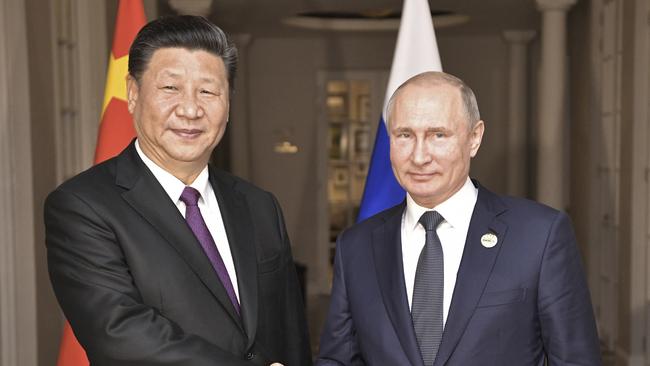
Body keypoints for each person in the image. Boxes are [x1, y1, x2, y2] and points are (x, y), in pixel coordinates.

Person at [45, 15, 311, 366]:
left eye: (208, 91)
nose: (190, 109)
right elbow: (119, 332)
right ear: (133, 93)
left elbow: (290, 332)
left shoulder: (259, 205)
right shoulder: (83, 207)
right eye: (170, 88)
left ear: (228, 103)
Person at [316, 71, 601, 365]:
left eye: (438, 135)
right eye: (404, 135)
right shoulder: (356, 247)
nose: (419, 156)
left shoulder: (539, 236)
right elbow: (339, 360)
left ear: (474, 138)